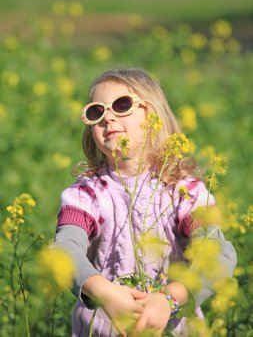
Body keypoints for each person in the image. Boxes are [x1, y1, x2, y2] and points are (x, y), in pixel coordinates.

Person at [53, 68, 237, 336]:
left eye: (122, 105)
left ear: (153, 115)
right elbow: (64, 249)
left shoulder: (184, 191)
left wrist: (170, 298)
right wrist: (104, 292)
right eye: (96, 112)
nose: (108, 117)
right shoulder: (86, 194)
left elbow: (219, 254)